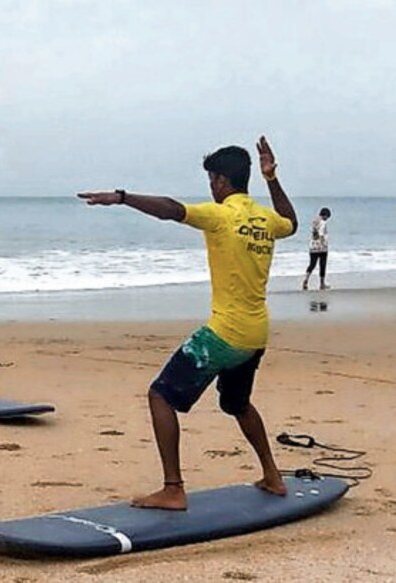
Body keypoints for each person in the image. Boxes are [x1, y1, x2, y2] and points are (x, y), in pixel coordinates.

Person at [77, 137, 298, 510]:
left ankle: (173, 488)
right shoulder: (265, 220)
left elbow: (170, 210)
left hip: (224, 335)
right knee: (238, 404)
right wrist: (272, 178)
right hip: (255, 332)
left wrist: (122, 197)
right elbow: (291, 221)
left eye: (212, 180)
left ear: (221, 182)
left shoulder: (221, 215)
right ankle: (273, 477)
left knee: (160, 395)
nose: (210, 188)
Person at [303, 207, 331, 290]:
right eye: (327, 217)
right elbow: (321, 234)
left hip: (313, 246)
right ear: (325, 215)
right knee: (322, 265)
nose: (327, 219)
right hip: (321, 248)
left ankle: (306, 279)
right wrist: (323, 243)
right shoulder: (323, 223)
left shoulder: (315, 221)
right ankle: (322, 284)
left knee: (312, 264)